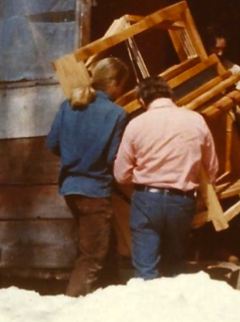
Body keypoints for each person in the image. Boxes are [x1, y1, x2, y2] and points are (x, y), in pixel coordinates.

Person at [114, 76, 219, 279]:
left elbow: (121, 174)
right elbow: (212, 167)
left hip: (146, 199)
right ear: (170, 95)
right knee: (175, 266)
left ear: (142, 101)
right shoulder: (195, 120)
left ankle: (148, 307)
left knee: (145, 269)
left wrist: (144, 173)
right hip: (182, 199)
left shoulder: (136, 124)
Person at [46, 57, 130, 297]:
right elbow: (112, 157)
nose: (121, 91)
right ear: (113, 82)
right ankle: (72, 306)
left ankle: (109, 297)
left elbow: (52, 143)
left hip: (71, 188)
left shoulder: (69, 104)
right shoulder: (116, 113)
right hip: (95, 190)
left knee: (100, 245)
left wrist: (75, 155)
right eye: (122, 85)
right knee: (91, 257)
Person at [202, 23, 240, 92]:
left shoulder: (235, 70)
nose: (220, 53)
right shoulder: (199, 70)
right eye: (216, 49)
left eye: (223, 49)